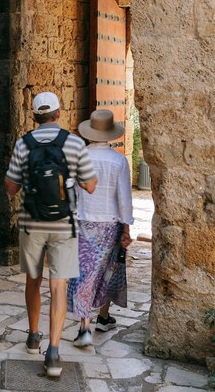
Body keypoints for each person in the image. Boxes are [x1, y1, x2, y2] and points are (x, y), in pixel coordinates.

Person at [5, 92, 97, 378]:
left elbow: (11, 187)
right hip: (63, 225)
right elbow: (91, 185)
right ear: (58, 114)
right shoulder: (73, 143)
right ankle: (54, 352)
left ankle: (34, 336)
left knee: (33, 280)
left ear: (34, 117)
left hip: (32, 224)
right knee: (58, 286)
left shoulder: (23, 144)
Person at [67, 109, 134, 347]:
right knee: (109, 271)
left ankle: (91, 324)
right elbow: (124, 199)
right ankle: (98, 320)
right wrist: (126, 229)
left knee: (85, 274)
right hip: (110, 224)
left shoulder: (79, 157)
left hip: (84, 222)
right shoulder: (118, 160)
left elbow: (72, 193)